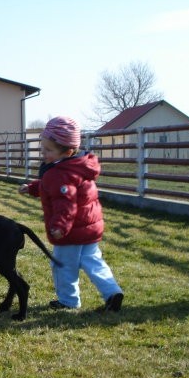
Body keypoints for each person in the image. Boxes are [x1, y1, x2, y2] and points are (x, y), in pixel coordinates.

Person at [18, 116, 123, 311]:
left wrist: (60, 227)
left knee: (63, 266)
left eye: (48, 150)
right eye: (43, 147)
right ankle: (112, 291)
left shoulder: (60, 173)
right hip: (90, 228)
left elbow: (65, 203)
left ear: (67, 151)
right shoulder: (77, 166)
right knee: (94, 262)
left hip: (71, 232)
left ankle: (68, 301)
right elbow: (53, 188)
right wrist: (33, 188)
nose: (44, 152)